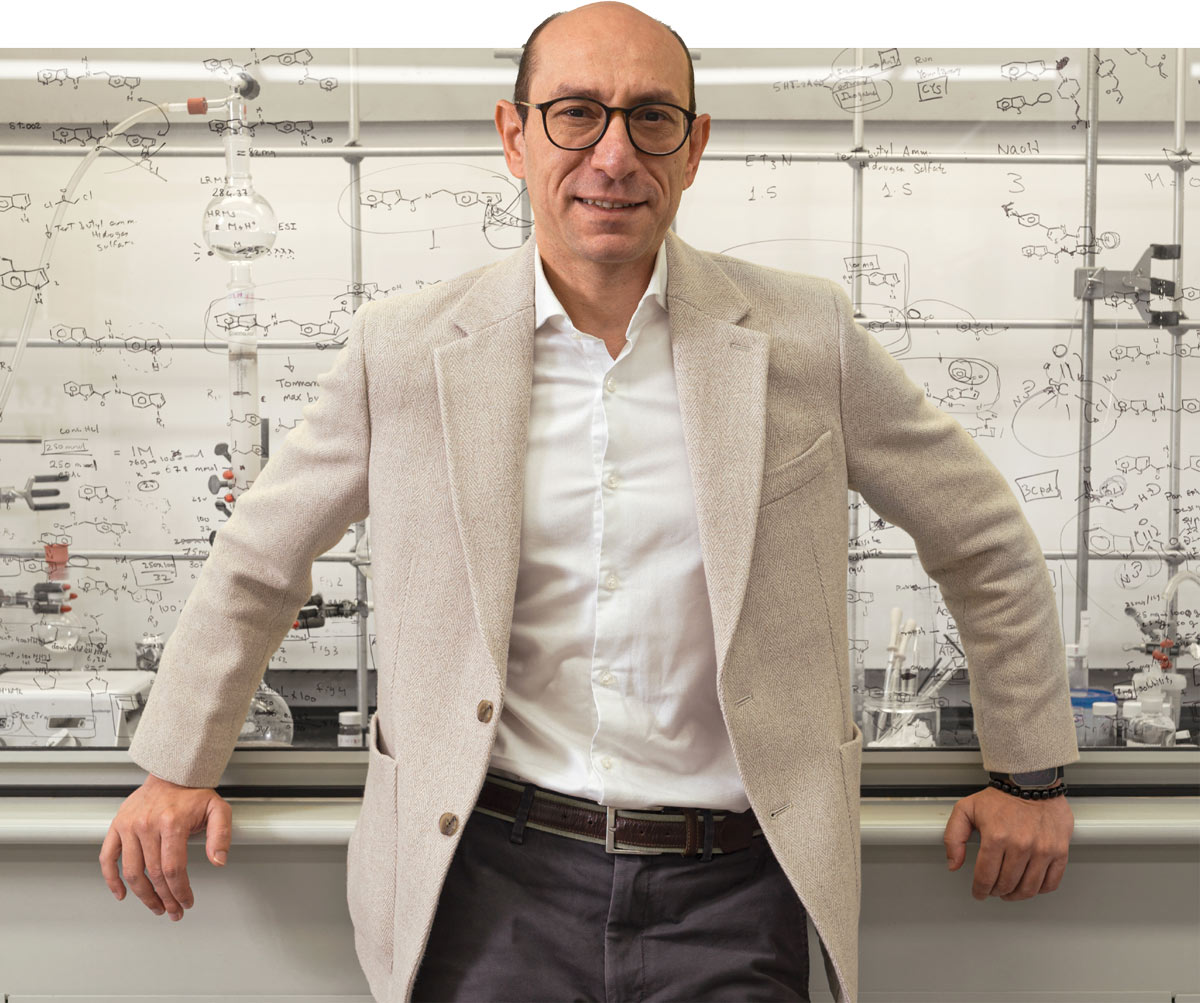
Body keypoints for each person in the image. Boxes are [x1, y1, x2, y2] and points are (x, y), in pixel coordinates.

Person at [100, 5, 1080, 1002]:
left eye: (651, 118)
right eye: (575, 114)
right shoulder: (404, 351)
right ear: (513, 135)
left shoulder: (803, 337)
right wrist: (179, 762)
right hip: (487, 888)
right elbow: (260, 561)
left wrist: (1029, 771)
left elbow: (983, 537)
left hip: (737, 889)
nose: (614, 155)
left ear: (693, 149)